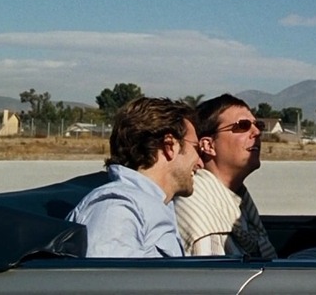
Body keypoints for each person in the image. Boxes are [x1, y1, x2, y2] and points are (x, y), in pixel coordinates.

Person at [67, 97, 204, 258]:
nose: (200, 162)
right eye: (196, 148)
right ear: (169, 146)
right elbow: (108, 280)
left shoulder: (151, 205)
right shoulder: (117, 208)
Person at [174, 94, 276, 258]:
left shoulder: (237, 202)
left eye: (259, 125)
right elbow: (213, 278)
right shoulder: (201, 211)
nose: (256, 132)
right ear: (208, 145)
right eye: (243, 126)